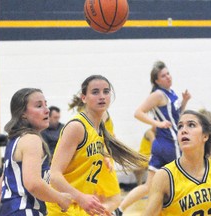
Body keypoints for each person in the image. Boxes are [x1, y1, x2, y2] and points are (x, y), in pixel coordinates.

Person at [46, 75, 147, 216]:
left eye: (106, 91)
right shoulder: (77, 126)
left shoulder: (99, 129)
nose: (102, 96)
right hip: (63, 207)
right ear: (83, 98)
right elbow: (54, 176)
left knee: (114, 200)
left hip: (81, 207)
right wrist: (81, 198)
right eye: (95, 92)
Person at [142, 91, 211, 215]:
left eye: (191, 125)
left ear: (205, 136)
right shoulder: (165, 176)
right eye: (180, 126)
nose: (183, 130)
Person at [117, 60, 191, 215]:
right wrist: (157, 123)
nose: (168, 77)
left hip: (160, 144)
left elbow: (176, 115)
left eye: (168, 73)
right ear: (157, 81)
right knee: (181, 180)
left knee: (149, 186)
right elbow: (138, 112)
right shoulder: (158, 94)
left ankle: (119, 209)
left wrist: (184, 101)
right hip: (170, 144)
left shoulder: (171, 92)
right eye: (163, 76)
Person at [0, 88, 72, 216]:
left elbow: (0, 192)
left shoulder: (14, 140)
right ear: (23, 113)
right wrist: (60, 198)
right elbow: (33, 183)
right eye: (38, 106)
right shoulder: (32, 139)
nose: (46, 110)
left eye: (45, 104)